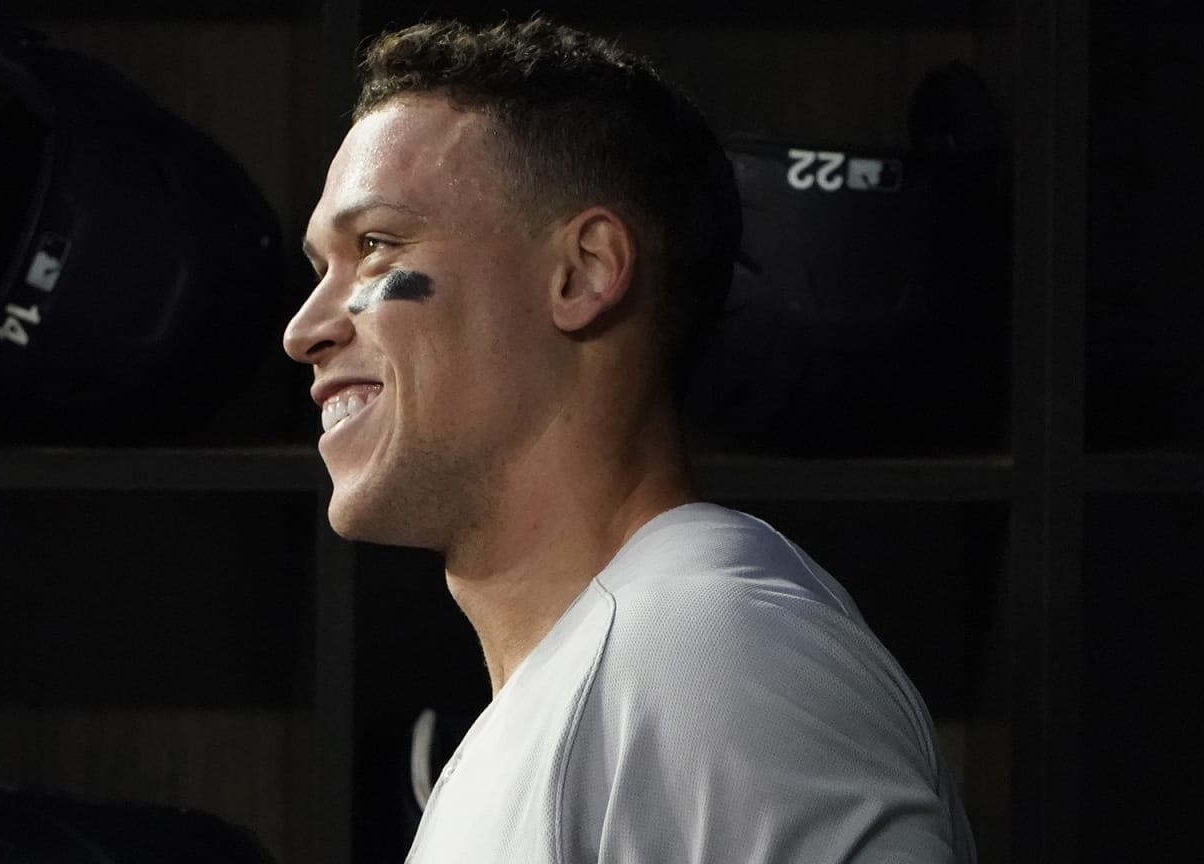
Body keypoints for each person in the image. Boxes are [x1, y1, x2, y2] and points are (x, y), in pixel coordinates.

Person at [283, 15, 976, 864]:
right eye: (321, 268)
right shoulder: (601, 673)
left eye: (376, 247)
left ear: (583, 273)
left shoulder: (711, 654)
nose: (304, 328)